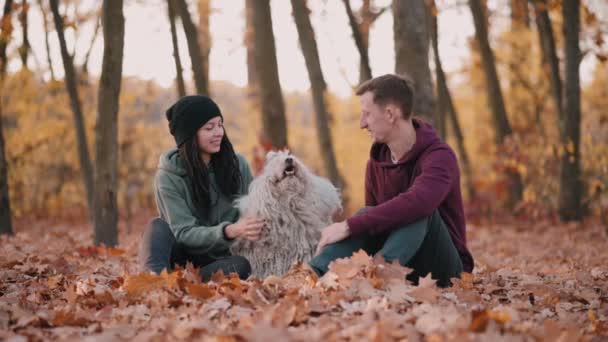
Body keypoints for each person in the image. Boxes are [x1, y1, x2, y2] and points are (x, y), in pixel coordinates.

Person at [310, 74, 474, 287]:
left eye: (367, 114)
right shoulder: (376, 164)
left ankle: (380, 274)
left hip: (446, 272)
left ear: (390, 114)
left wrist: (347, 226)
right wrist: (353, 229)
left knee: (419, 209)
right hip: (405, 264)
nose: (362, 123)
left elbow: (419, 203)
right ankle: (311, 272)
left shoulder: (440, 157)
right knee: (367, 213)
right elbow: (374, 225)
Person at [138, 95, 265, 281]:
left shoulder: (238, 166)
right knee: (156, 227)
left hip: (219, 260)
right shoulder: (168, 176)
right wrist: (229, 230)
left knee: (241, 266)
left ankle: (185, 283)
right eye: (209, 128)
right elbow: (183, 232)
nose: (218, 133)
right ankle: (154, 282)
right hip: (180, 256)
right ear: (189, 135)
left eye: (220, 125)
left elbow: (253, 211)